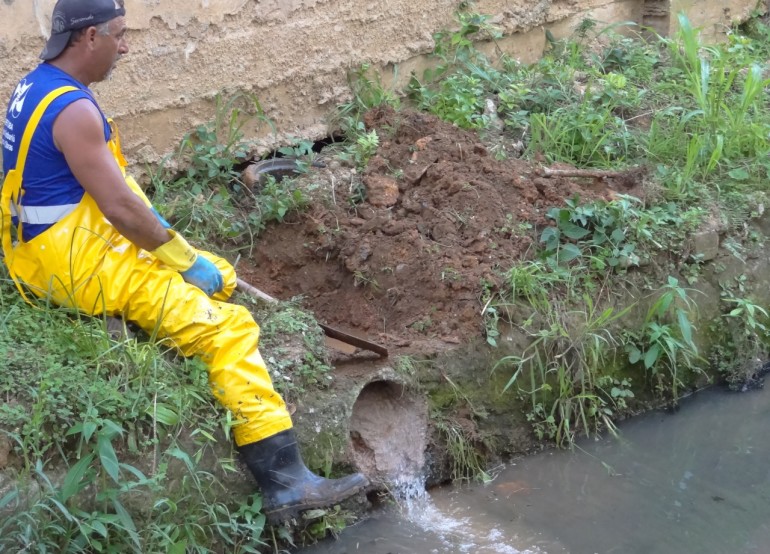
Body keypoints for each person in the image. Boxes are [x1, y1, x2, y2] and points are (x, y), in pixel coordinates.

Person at [1, 0, 366, 523]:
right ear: (88, 38)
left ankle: (196, 282)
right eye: (120, 35)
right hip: (77, 267)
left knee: (217, 272)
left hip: (39, 254)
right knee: (229, 332)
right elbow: (122, 207)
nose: (125, 47)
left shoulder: (35, 86)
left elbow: (104, 187)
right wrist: (178, 259)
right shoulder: (75, 111)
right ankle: (286, 484)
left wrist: (187, 256)